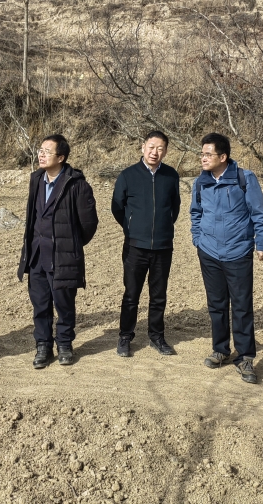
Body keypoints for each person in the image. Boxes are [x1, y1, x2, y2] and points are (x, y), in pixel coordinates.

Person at [190, 133, 263, 383]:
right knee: (216, 304)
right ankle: (220, 349)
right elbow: (195, 213)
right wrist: (198, 239)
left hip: (238, 251)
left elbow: (258, 213)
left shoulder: (244, 179)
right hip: (209, 252)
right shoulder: (200, 182)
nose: (203, 158)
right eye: (202, 154)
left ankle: (245, 357)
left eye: (208, 154)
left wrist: (262, 243)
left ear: (223, 157)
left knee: (242, 306)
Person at [17, 135, 99, 368]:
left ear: (61, 157)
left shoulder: (77, 185)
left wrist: (70, 245)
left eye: (47, 151)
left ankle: (64, 344)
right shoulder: (36, 180)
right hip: (36, 254)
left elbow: (89, 224)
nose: (41, 155)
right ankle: (43, 346)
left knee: (64, 305)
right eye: (40, 150)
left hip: (63, 257)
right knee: (40, 304)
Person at [112, 130, 181, 357]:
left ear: (166, 151)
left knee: (158, 295)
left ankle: (157, 336)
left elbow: (175, 207)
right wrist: (131, 228)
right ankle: (125, 336)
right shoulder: (128, 175)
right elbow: (117, 207)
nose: (155, 152)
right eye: (151, 147)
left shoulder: (171, 175)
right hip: (135, 246)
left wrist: (163, 227)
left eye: (160, 148)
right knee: (131, 294)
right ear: (143, 147)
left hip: (163, 246)